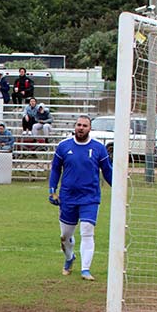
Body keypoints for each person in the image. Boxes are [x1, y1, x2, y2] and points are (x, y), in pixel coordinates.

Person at [49, 115, 113, 281]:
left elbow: (107, 171)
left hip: (90, 197)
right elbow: (55, 169)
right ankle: (69, 258)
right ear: (75, 127)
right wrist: (52, 190)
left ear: (90, 128)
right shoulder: (64, 146)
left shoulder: (99, 148)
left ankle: (85, 269)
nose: (81, 128)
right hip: (68, 197)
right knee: (65, 236)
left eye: (85, 125)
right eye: (79, 125)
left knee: (87, 230)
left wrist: (118, 189)